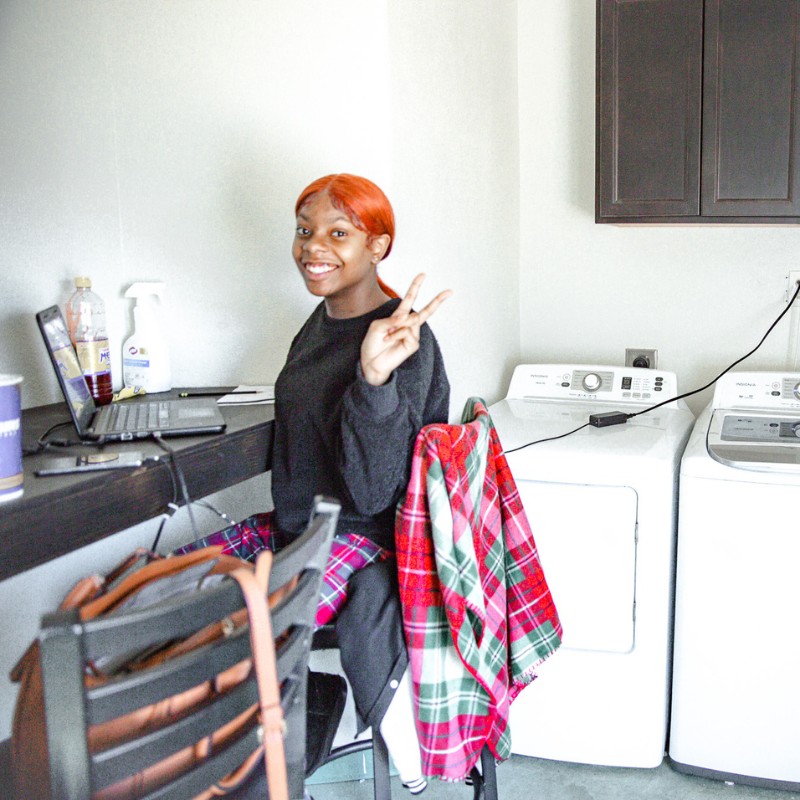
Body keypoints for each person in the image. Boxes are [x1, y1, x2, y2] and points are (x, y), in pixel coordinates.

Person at [175, 174, 451, 794]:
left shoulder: (406, 339)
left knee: (232, 632)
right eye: (304, 231)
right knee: (161, 592)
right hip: (300, 527)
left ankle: (267, 755)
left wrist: (375, 380)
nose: (312, 247)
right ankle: (280, 723)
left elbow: (379, 492)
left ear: (377, 247)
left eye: (338, 233)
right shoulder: (321, 321)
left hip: (363, 537)